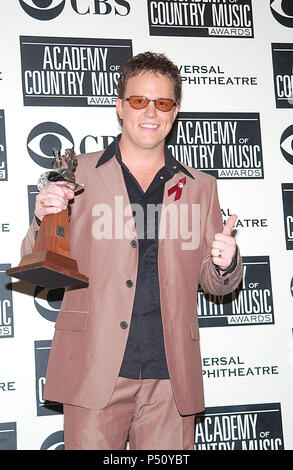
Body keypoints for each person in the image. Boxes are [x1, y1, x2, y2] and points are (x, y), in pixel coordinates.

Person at [21, 52, 243, 450]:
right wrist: (43, 219)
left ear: (175, 112)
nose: (150, 113)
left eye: (162, 103)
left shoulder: (201, 186)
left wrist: (225, 265)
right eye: (139, 100)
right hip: (94, 369)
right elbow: (43, 268)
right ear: (120, 106)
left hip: (171, 379)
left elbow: (215, 283)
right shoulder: (77, 173)